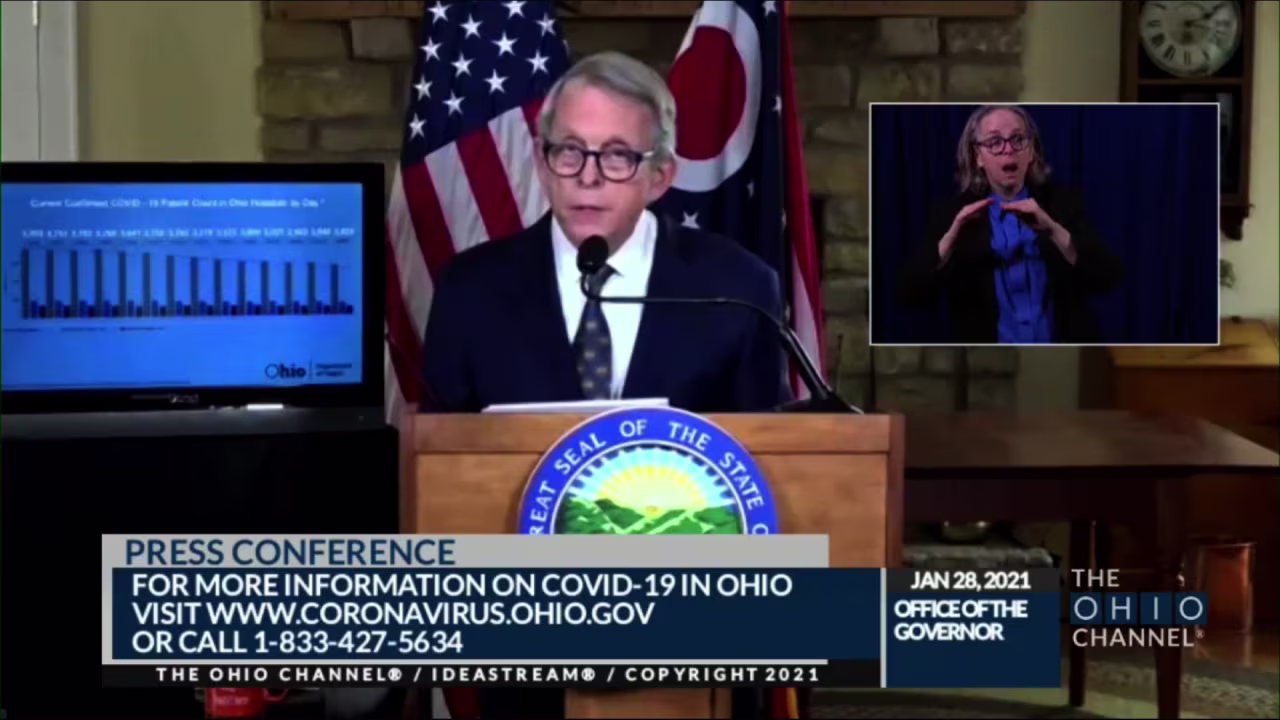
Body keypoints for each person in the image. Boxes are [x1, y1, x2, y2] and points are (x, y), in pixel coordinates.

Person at [419, 52, 790, 718]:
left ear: (660, 175)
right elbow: (441, 471)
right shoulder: (470, 290)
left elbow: (771, 467)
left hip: (695, 636)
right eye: (571, 152)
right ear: (541, 159)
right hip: (526, 643)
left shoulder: (738, 289)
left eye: (618, 156)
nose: (588, 178)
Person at [900, 104, 1123, 344]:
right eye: (995, 142)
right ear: (978, 157)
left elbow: (1109, 277)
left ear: (1031, 152)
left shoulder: (1063, 204)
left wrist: (1055, 231)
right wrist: (949, 242)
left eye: (1018, 139)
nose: (1008, 150)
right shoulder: (953, 215)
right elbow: (910, 294)